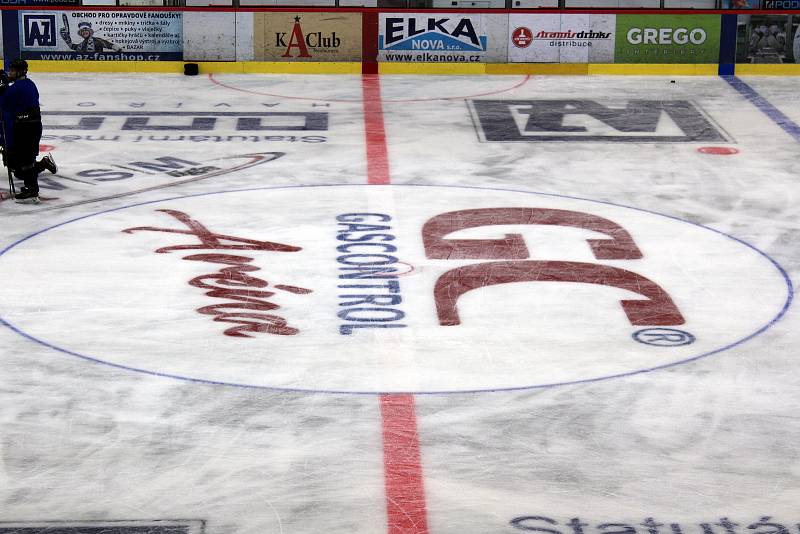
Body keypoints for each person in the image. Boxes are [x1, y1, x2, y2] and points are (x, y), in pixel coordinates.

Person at [0, 59, 57, 205]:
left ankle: (32, 190)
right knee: (21, 165)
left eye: (12, 71)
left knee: (25, 161)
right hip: (29, 126)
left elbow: (4, 104)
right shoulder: (28, 84)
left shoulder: (17, 88)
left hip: (26, 127)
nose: (10, 73)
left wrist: (3, 87)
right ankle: (41, 169)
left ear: (20, 72)